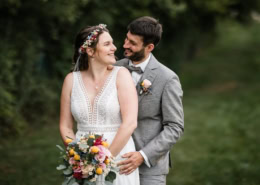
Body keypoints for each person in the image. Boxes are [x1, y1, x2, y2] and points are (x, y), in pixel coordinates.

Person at [59, 24, 140, 185]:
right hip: (83, 162)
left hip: (118, 157)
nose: (114, 48)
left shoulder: (121, 75)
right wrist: (78, 157)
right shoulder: (71, 80)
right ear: (90, 51)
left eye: (112, 43)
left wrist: (104, 160)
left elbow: (130, 123)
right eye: (107, 44)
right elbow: (66, 126)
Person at [116, 16, 184, 185]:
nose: (125, 45)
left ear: (149, 47)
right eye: (126, 39)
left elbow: (175, 127)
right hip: (115, 161)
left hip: (149, 169)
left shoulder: (167, 78)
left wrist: (143, 155)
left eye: (132, 43)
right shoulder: (115, 68)